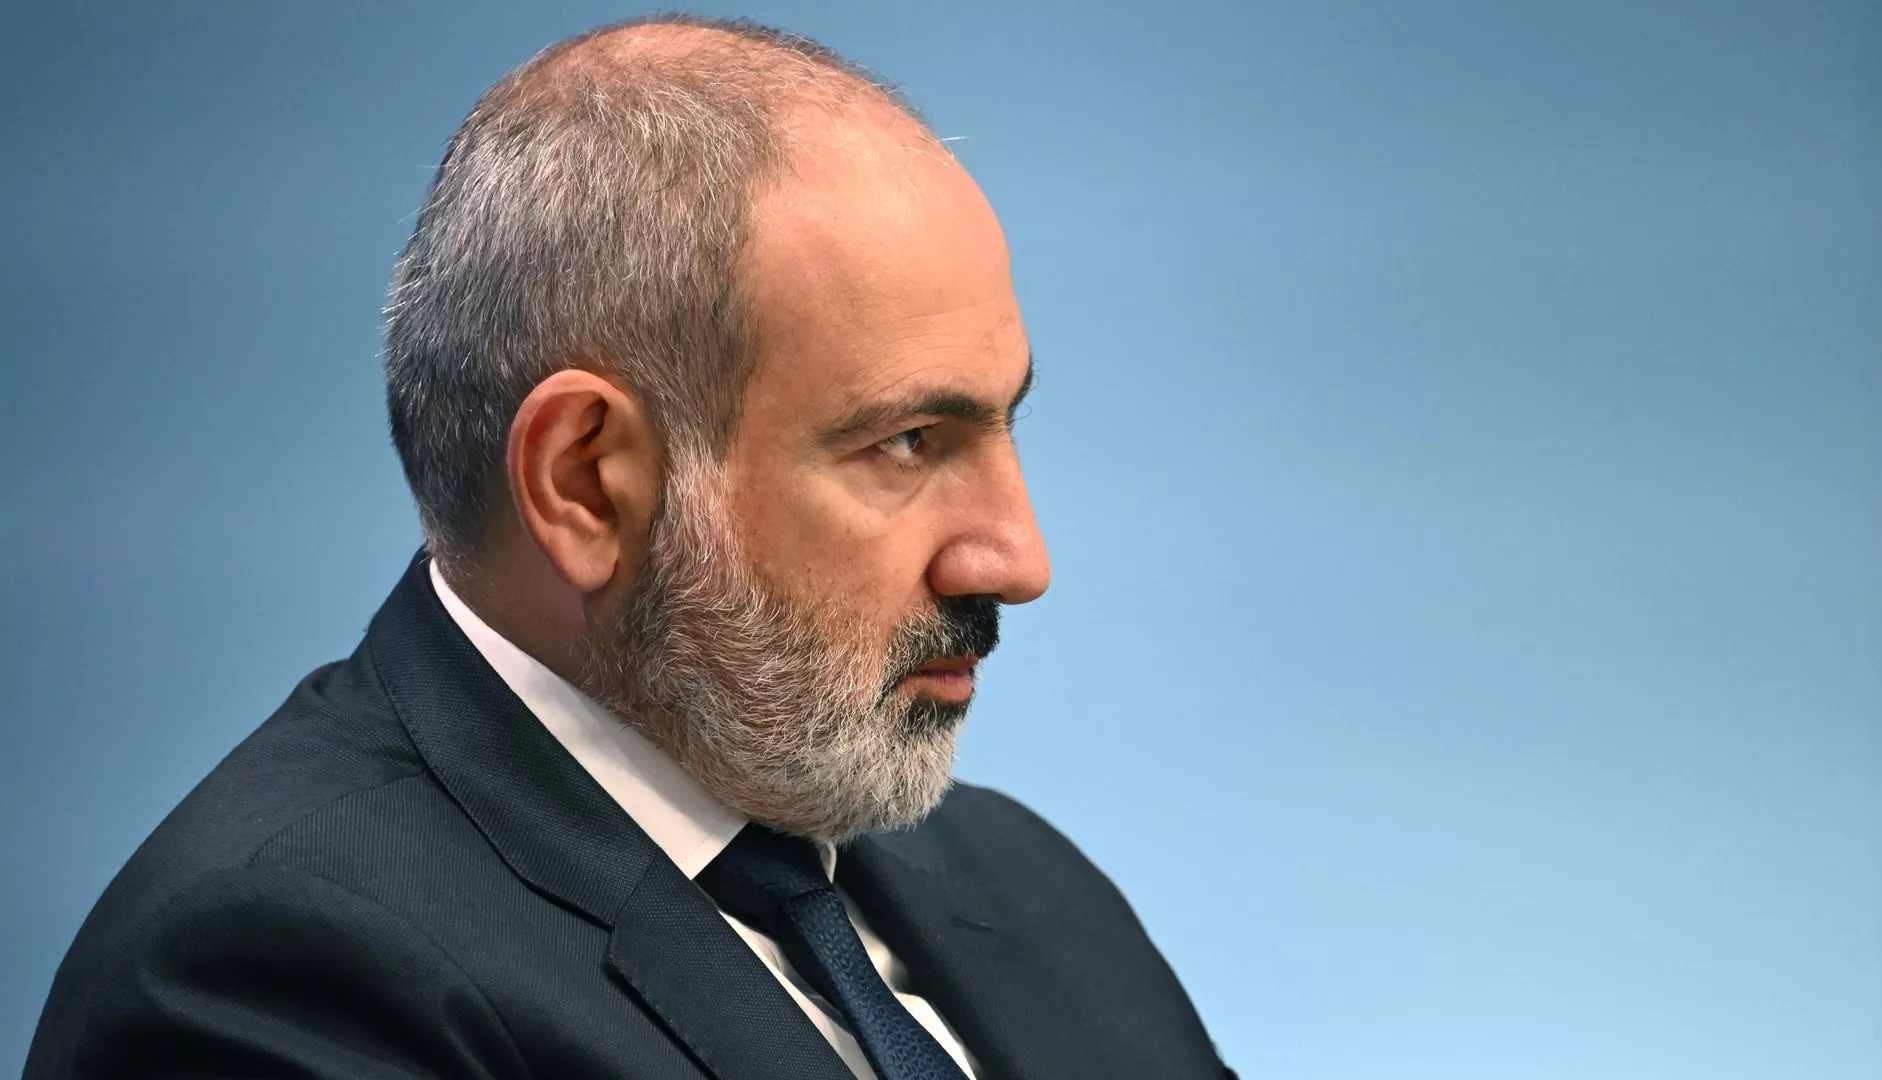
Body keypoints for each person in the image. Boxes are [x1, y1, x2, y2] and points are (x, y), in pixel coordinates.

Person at [26, 15, 1233, 1079]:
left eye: (1005, 424)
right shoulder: (273, 982)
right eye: (909, 443)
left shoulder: (1028, 886)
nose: (1018, 559)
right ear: (585, 484)